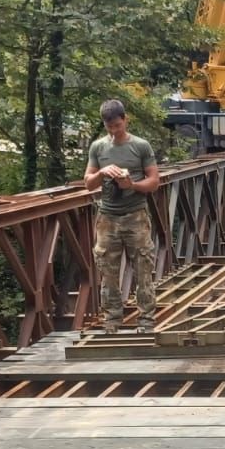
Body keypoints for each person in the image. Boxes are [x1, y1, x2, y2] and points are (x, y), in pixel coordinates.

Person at [84, 99, 161, 334]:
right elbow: (88, 183)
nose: (114, 131)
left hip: (135, 214)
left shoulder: (141, 146)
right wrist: (102, 173)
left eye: (118, 125)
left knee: (143, 269)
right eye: (110, 127)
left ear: (125, 119)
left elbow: (154, 181)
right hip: (107, 217)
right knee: (107, 270)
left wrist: (132, 184)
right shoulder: (98, 148)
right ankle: (112, 320)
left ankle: (146, 319)